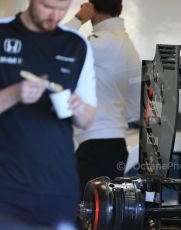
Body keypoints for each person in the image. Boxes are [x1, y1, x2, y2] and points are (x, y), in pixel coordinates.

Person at [0, 0, 97, 228]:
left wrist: (78, 108)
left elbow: (88, 119)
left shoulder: (76, 45)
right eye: (48, 6)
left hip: (58, 186)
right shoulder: (2, 33)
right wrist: (14, 94)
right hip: (6, 186)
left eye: (63, 9)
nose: (55, 16)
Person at [66, 0, 141, 192]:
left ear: (91, 8)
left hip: (96, 143)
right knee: (106, 214)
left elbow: (53, 47)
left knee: (85, 214)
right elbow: (135, 102)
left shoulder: (100, 42)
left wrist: (78, 18)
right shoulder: (128, 45)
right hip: (115, 143)